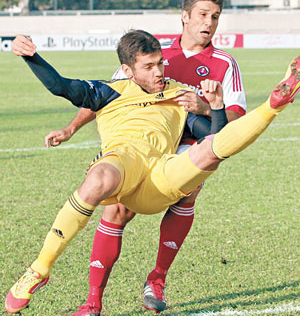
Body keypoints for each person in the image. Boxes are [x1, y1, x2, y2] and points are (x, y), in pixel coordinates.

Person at [5, 29, 300, 316]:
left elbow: (218, 139)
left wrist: (216, 107)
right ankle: (39, 270)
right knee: (99, 178)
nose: (159, 71)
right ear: (127, 70)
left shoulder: (180, 96)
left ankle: (274, 106)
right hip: (124, 164)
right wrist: (33, 57)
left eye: (160, 62)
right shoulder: (110, 90)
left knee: (207, 155)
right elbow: (61, 86)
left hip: (160, 177)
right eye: (148, 66)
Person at [29, 0, 247, 315]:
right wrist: (71, 128)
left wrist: (204, 106)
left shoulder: (225, 64)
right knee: (116, 210)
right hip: (143, 144)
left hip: (190, 139)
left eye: (215, 17)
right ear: (185, 16)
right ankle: (92, 302)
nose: (209, 23)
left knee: (189, 189)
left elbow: (235, 119)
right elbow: (111, 95)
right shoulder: (153, 52)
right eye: (202, 15)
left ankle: (157, 279)